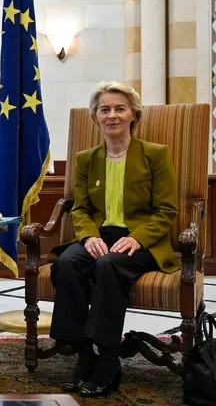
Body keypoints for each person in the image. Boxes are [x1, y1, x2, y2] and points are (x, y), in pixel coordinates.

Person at [48, 81, 179, 398]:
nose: (112, 115)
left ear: (134, 114)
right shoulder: (86, 159)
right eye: (104, 109)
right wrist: (88, 235)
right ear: (95, 117)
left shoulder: (154, 155)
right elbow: (81, 209)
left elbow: (167, 209)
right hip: (101, 236)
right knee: (66, 263)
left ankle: (108, 358)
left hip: (141, 242)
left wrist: (137, 237)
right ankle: (83, 353)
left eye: (120, 108)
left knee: (108, 265)